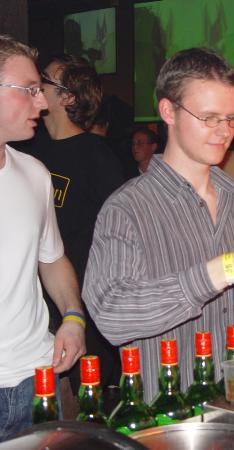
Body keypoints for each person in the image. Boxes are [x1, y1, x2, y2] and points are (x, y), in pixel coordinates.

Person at [83, 48, 234, 403]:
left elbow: (230, 298)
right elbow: (111, 317)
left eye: (231, 119)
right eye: (209, 118)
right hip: (168, 412)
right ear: (168, 111)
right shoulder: (127, 208)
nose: (224, 132)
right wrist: (223, 269)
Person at [25, 54, 124, 409]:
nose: (37, 84)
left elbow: (121, 239)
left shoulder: (98, 158)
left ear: (67, 97)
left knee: (83, 416)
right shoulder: (27, 149)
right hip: (34, 309)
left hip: (82, 310)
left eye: (45, 79)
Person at [0, 34, 85, 441]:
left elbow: (51, 259)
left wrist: (73, 316)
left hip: (38, 379)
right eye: (30, 90)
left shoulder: (34, 173)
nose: (43, 103)